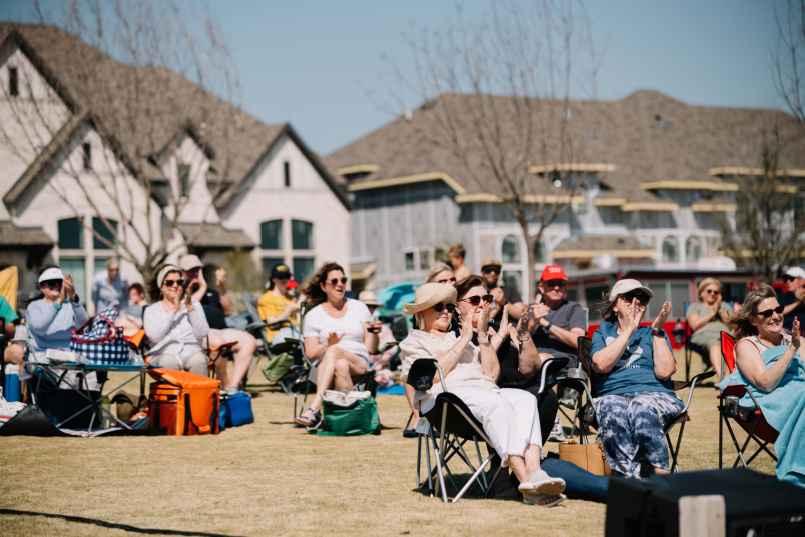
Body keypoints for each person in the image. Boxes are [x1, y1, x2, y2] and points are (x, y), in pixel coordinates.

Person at [399, 282, 566, 506]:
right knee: (495, 403)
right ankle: (523, 478)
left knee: (525, 399)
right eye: (438, 307)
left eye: (449, 306)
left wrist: (482, 336)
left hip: (480, 393)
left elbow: (490, 374)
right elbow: (432, 376)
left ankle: (535, 471)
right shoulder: (414, 341)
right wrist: (464, 339)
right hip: (446, 402)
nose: (446, 311)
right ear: (421, 312)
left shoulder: (458, 337)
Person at [590, 279, 682, 479]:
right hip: (612, 394)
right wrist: (629, 330)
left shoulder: (652, 332)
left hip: (654, 395)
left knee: (640, 405)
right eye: (629, 297)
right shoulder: (602, 331)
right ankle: (626, 478)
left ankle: (662, 478)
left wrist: (657, 332)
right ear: (615, 305)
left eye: (642, 298)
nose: (636, 302)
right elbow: (602, 365)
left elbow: (666, 372)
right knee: (612, 407)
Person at [722, 283, 803, 488]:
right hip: (769, 405)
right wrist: (792, 348)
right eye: (767, 312)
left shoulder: (798, 339)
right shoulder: (747, 345)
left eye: (778, 309)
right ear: (753, 319)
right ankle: (796, 475)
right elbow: (766, 384)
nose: (775, 315)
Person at [294, 263, 381, 427]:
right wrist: (328, 345)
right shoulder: (314, 315)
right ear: (323, 286)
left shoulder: (359, 307)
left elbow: (371, 348)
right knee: (339, 364)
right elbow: (311, 354)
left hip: (358, 360)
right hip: (326, 364)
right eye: (334, 281)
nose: (340, 284)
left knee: (334, 351)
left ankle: (315, 408)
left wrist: (375, 334)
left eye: (343, 280)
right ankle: (349, 419)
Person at [527, 265, 588, 441]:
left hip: (563, 366)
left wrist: (546, 324)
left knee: (545, 360)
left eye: (560, 284)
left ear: (565, 288)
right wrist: (533, 322)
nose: (556, 287)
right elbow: (517, 341)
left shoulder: (573, 308)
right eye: (551, 283)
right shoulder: (533, 309)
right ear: (541, 287)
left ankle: (550, 420)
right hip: (529, 365)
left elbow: (579, 340)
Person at [180, 254, 256, 393]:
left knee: (249, 341)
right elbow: (186, 307)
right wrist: (202, 288)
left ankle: (234, 385)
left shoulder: (212, 292)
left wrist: (220, 287)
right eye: (190, 270)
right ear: (182, 272)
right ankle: (225, 384)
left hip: (221, 329)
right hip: (199, 334)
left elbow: (228, 311)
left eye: (197, 269)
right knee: (218, 342)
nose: (195, 273)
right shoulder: (180, 290)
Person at [143, 263, 209, 375]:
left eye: (179, 282)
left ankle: (199, 392)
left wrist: (190, 309)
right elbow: (155, 337)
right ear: (161, 286)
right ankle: (173, 393)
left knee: (198, 360)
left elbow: (202, 333)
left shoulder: (194, 304)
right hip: (163, 353)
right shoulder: (152, 310)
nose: (175, 285)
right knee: (168, 361)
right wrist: (173, 310)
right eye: (169, 282)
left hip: (191, 351)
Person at [27, 266, 89, 354]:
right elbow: (39, 328)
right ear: (41, 287)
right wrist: (59, 302)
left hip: (70, 355)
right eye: (52, 282)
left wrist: (74, 298)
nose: (56, 285)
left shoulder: (71, 305)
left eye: (60, 282)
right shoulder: (34, 305)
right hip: (43, 355)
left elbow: (84, 327)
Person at [686, 278, 733, 379]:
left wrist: (719, 309)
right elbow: (694, 325)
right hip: (704, 336)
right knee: (715, 345)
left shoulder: (724, 306)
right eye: (709, 291)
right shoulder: (694, 307)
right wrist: (712, 313)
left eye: (716, 292)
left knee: (733, 344)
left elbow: (732, 324)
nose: (712, 294)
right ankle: (722, 379)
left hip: (726, 334)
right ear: (702, 293)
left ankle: (729, 379)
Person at [257, 264, 301, 343]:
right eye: (281, 277)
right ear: (273, 279)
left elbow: (298, 323)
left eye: (287, 277)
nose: (284, 280)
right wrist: (289, 311)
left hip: (295, 330)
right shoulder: (267, 298)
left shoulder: (291, 298)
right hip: (278, 335)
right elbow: (273, 325)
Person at [480, 258, 524, 322]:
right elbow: (478, 321)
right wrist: (496, 309)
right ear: (481, 272)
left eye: (496, 270)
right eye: (488, 270)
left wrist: (503, 301)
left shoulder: (509, 290)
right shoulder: (478, 293)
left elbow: (520, 315)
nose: (492, 273)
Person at [780, 267, 805, 336]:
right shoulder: (782, 297)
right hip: (786, 332)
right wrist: (798, 303)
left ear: (802, 281)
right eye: (785, 279)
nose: (788, 282)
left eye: (791, 279)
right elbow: (779, 311)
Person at [1, 295, 25, 367]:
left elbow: (11, 333)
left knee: (17, 351)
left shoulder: (1, 300)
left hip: (1, 351)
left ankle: (21, 378)